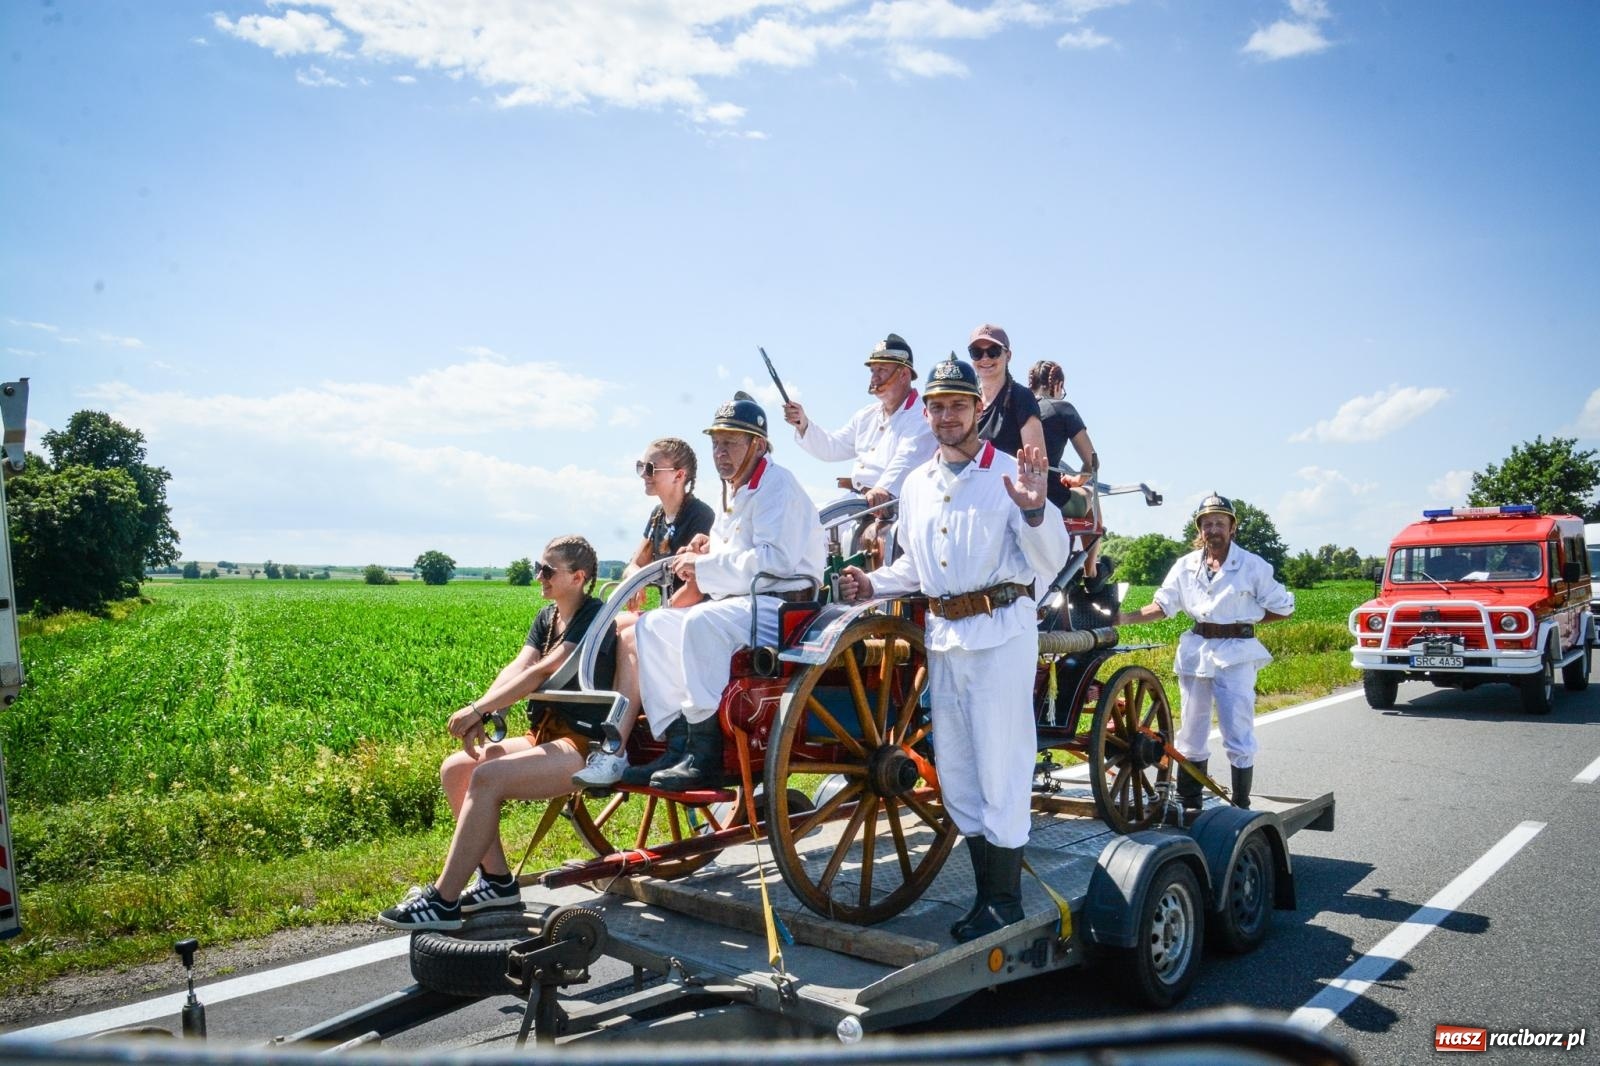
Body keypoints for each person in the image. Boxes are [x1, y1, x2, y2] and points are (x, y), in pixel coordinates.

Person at [836, 358, 1070, 943]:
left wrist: (1037, 509)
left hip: (999, 633)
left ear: (977, 411)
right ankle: (986, 897)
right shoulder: (917, 484)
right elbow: (916, 564)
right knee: (960, 770)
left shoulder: (1013, 474)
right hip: (944, 638)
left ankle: (1005, 902)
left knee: (1001, 762)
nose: (944, 416)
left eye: (957, 406)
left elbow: (1050, 560)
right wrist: (875, 583)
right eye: (936, 406)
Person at [379, 536, 615, 930]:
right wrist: (482, 711)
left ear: (578, 577)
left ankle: (444, 901)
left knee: (487, 777)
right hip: (543, 735)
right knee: (457, 769)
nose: (538, 576)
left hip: (582, 743)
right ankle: (497, 882)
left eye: (547, 570)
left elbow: (544, 670)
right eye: (538, 567)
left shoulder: (594, 616)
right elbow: (519, 666)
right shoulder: (547, 617)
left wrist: (478, 710)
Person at [623, 393, 826, 791]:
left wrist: (704, 566)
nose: (721, 452)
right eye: (716, 442)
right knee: (655, 626)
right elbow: (738, 552)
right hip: (748, 601)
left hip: (785, 607)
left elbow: (775, 562)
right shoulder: (738, 489)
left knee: (700, 621)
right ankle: (678, 742)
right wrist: (707, 548)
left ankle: (705, 753)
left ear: (758, 444)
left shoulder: (777, 485)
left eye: (731, 442)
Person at [1115, 494, 1294, 813]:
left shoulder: (1252, 566)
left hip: (1236, 654)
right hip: (1197, 651)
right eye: (1207, 523)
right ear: (1200, 529)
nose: (1213, 529)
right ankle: (1190, 800)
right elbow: (1162, 605)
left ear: (1232, 528)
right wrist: (1125, 617)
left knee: (1237, 727)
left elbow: (1284, 607)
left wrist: (1246, 620)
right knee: (1192, 728)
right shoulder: (1184, 567)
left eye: (1220, 523)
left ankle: (1240, 803)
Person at [572, 439, 715, 788]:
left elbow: (697, 586)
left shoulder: (700, 516)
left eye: (650, 469)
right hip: (669, 613)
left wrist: (659, 615)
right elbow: (636, 561)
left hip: (695, 615)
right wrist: (635, 579)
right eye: (642, 467)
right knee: (605, 628)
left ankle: (614, 748)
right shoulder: (657, 517)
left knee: (631, 634)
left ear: (679, 475)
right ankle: (587, 720)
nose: (643, 475)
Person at [782, 333, 936, 508]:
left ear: (904, 374)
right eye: (873, 370)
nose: (874, 378)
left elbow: (907, 460)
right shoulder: (866, 415)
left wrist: (881, 490)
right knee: (806, 522)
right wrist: (803, 424)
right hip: (858, 504)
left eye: (882, 370)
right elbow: (833, 447)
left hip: (896, 507)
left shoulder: (922, 415)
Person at [1026, 359, 1097, 519]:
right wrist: (1077, 480)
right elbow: (1092, 462)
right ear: (1057, 385)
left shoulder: (1014, 409)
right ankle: (1086, 545)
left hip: (1014, 496)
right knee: (1089, 493)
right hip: (1053, 499)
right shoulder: (1063, 409)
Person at [968, 324, 1045, 460]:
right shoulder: (967, 400)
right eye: (976, 352)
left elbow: (1037, 464)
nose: (985, 358)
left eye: (994, 351)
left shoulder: (1022, 397)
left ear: (1008, 356)